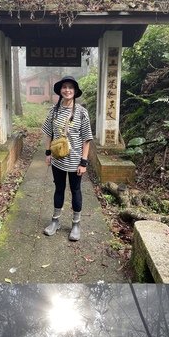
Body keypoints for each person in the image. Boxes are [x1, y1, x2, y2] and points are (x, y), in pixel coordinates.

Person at [42, 75, 94, 241]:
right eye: (64, 87)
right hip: (58, 159)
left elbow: (86, 139)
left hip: (75, 161)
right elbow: (48, 134)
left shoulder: (82, 112)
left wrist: (84, 162)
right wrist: (48, 154)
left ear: (75, 91)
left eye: (71, 87)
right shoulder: (54, 110)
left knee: (76, 190)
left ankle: (76, 224)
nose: (67, 90)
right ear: (60, 90)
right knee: (58, 188)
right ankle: (55, 221)